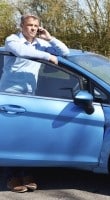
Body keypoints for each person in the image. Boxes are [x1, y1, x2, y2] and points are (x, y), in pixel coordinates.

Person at [0, 13, 69, 193]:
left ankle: (26, 173)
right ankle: (11, 177)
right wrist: (47, 57)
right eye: (29, 25)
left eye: (36, 26)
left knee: (26, 136)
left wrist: (50, 38)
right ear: (21, 26)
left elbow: (65, 52)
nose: (33, 28)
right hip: (10, 96)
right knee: (11, 137)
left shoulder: (40, 43)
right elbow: (23, 53)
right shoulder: (13, 40)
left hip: (30, 97)